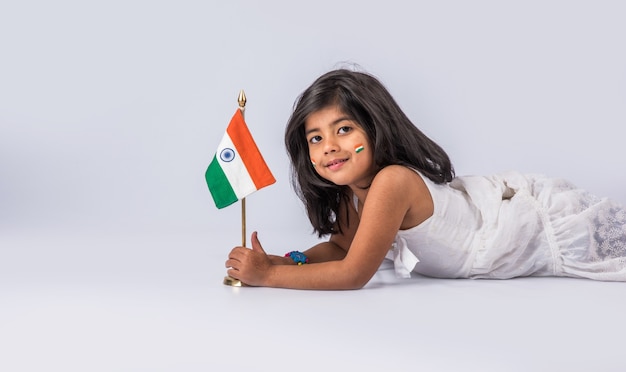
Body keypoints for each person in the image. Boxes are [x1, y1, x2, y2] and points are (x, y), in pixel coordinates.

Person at [225, 68, 626, 289]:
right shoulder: (354, 194)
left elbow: (353, 274)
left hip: (530, 227)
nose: (328, 145)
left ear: (376, 128)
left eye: (344, 129)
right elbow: (343, 250)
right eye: (316, 137)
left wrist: (271, 276)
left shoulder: (392, 183)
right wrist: (287, 261)